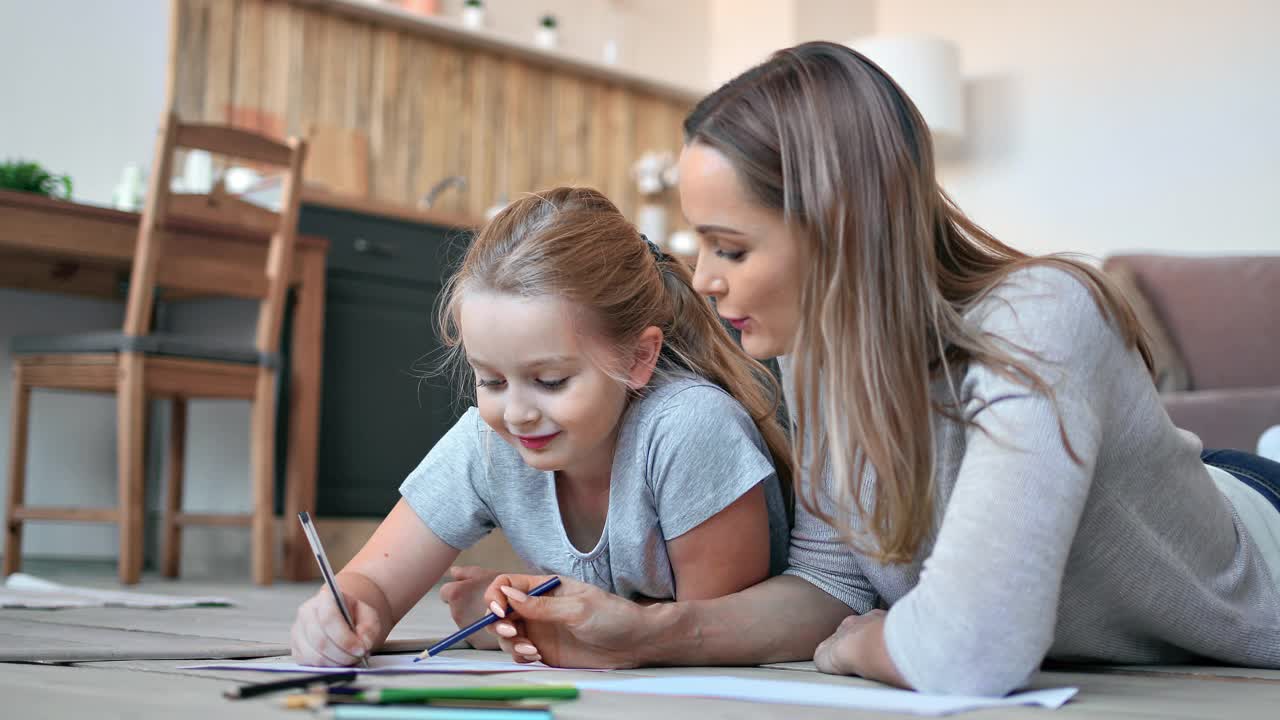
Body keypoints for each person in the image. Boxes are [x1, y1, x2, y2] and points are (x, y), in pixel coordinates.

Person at [479, 41, 1280, 696]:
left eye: (730, 246)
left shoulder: (1043, 313)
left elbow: (969, 651)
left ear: (841, 229)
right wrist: (642, 635)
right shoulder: (817, 356)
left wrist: (860, 648)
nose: (701, 277)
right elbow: (833, 583)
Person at [289, 187, 793, 667]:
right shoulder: (489, 442)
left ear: (640, 357)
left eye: (550, 381)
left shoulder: (691, 429)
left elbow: (705, 641)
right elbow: (372, 583)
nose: (517, 413)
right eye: (490, 380)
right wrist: (343, 612)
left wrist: (517, 628)